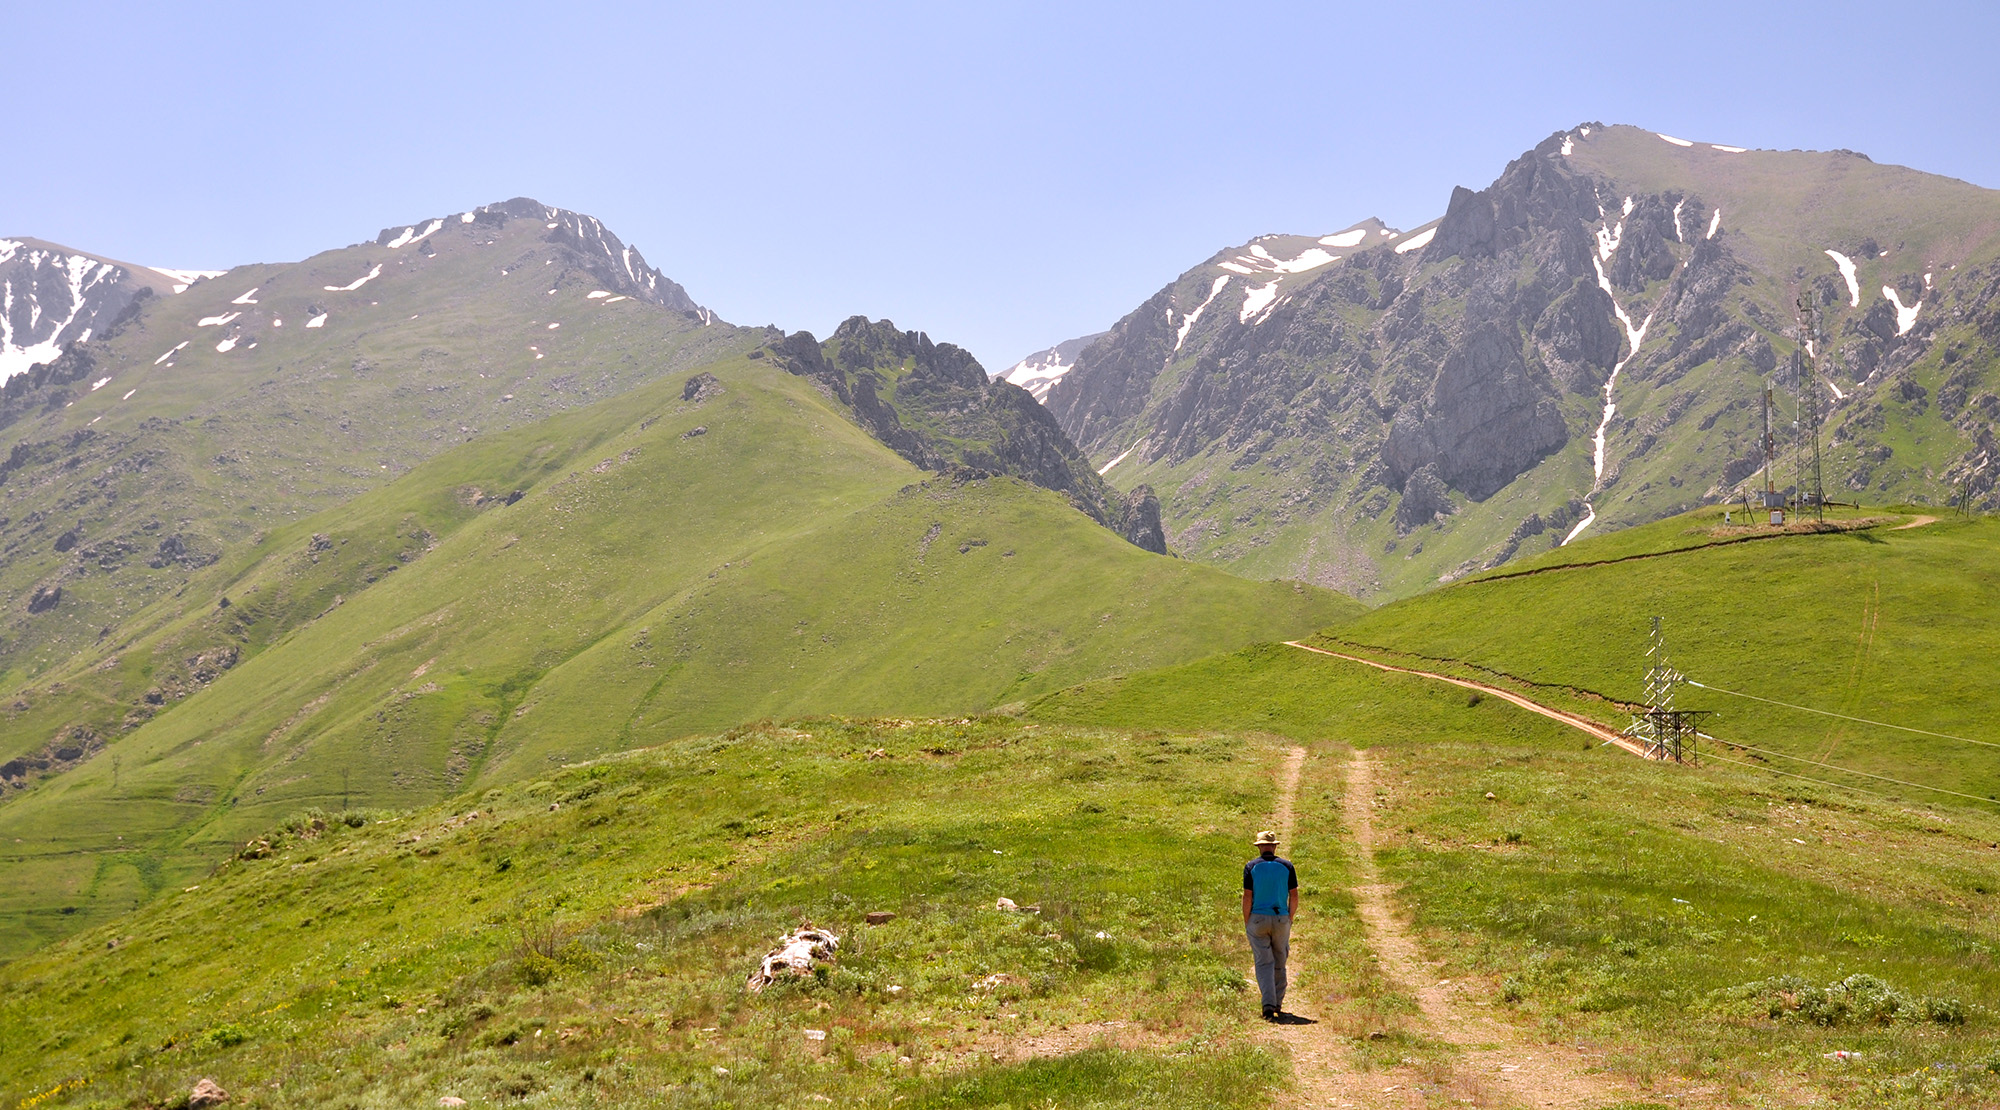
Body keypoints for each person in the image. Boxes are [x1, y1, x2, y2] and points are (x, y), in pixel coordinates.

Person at [1242, 829, 1298, 1020]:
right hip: (1281, 917)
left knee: (1263, 962)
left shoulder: (1251, 867)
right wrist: (1289, 917)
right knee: (1280, 960)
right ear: (1274, 847)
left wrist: (1247, 919)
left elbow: (1247, 896)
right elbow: (1294, 894)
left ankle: (1268, 1003)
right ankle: (1278, 1003)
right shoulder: (1287, 866)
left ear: (1259, 847)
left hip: (1257, 917)